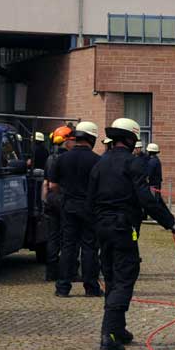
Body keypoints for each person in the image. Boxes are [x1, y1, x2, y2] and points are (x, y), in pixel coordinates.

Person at [90, 117, 175, 350]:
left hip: (102, 227)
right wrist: (170, 222)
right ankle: (109, 336)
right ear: (132, 139)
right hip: (123, 228)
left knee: (111, 276)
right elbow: (147, 199)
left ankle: (118, 329)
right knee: (124, 277)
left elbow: (89, 199)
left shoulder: (100, 163)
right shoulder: (134, 164)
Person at [54, 122, 103, 298]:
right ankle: (91, 287)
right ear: (92, 138)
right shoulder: (97, 160)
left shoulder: (62, 158)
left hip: (68, 207)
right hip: (89, 208)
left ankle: (62, 287)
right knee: (89, 248)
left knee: (68, 247)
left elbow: (53, 185)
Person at [42, 125, 74, 281]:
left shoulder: (50, 158)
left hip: (51, 201)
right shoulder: (67, 159)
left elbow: (46, 183)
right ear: (66, 141)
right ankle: (69, 272)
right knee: (68, 238)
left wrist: (44, 201)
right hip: (64, 199)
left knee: (52, 238)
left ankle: (50, 272)